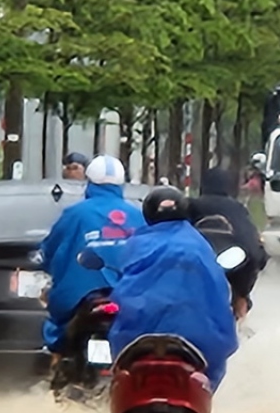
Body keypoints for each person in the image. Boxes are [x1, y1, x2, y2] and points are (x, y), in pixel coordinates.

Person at [108, 187, 239, 388]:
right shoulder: (200, 244)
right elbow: (219, 295)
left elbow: (123, 284)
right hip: (200, 338)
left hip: (137, 334)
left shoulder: (137, 243)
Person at [39, 155, 142, 369]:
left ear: (89, 182)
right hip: (129, 295)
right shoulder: (138, 216)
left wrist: (47, 265)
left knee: (57, 323)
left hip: (79, 296)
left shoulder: (74, 214)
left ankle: (57, 362)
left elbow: (50, 248)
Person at [188, 167, 268, 318]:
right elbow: (250, 239)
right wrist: (259, 256)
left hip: (204, 259)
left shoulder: (191, 205)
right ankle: (241, 310)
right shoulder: (238, 208)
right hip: (236, 260)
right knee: (242, 290)